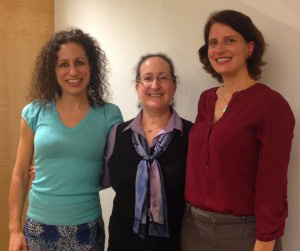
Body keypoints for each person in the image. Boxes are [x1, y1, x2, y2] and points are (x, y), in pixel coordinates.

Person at [181, 10, 295, 251]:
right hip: (193, 228)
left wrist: (264, 243)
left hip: (243, 233)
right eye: (213, 43)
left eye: (230, 40)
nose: (219, 49)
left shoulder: (271, 105)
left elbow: (273, 185)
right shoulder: (206, 99)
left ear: (250, 48)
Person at [8, 28, 122, 251]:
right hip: (38, 228)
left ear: (91, 67)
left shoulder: (110, 115)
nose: (73, 71)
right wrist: (14, 231)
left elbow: (117, 170)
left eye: (80, 62)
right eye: (63, 64)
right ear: (52, 70)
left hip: (87, 229)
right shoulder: (34, 112)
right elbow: (20, 174)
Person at [102, 53, 192, 251]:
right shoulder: (117, 134)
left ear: (173, 86)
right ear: (137, 87)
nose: (155, 85)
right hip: (122, 244)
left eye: (163, 77)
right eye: (148, 78)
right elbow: (98, 177)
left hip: (175, 245)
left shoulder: (192, 135)